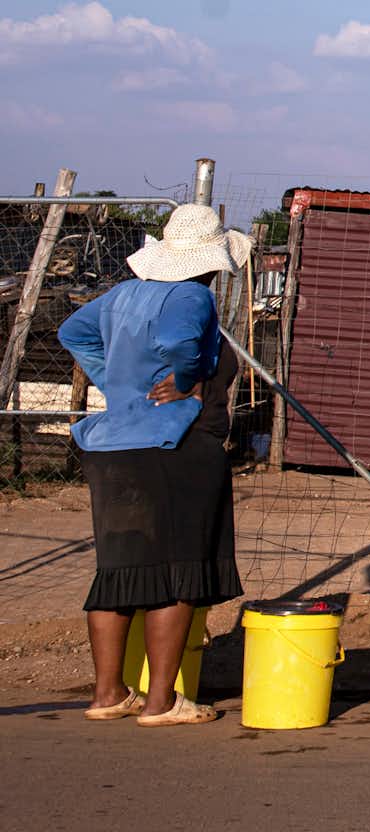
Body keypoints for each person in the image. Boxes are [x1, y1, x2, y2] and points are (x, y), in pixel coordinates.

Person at [59, 203, 244, 727]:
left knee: (119, 569)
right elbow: (179, 343)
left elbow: (73, 333)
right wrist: (185, 380)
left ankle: (108, 693)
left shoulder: (122, 295)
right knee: (179, 569)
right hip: (172, 441)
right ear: (209, 260)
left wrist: (115, 380)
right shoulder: (192, 295)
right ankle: (161, 700)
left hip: (113, 443)